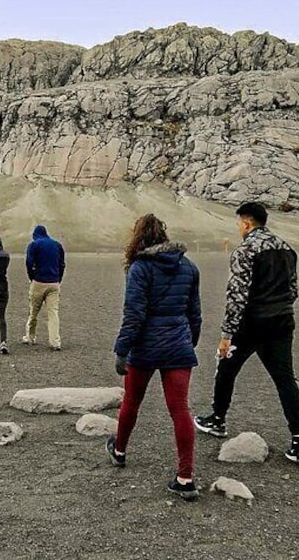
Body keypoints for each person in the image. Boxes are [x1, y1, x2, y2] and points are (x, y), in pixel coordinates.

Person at [194, 202, 299, 467]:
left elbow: (236, 296)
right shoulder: (287, 248)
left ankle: (217, 418)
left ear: (246, 223)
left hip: (252, 322)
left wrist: (227, 334)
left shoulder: (245, 250)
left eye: (239, 224)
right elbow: (293, 289)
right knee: (285, 379)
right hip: (282, 321)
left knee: (226, 367)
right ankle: (298, 441)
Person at [106, 214, 202, 501]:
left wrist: (122, 349)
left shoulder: (140, 268)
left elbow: (134, 314)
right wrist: (189, 342)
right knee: (180, 409)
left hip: (145, 348)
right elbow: (194, 313)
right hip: (178, 347)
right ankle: (185, 477)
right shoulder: (188, 267)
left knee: (132, 402)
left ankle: (120, 450)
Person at [22, 224, 65, 350]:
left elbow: (29, 263)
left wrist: (32, 277)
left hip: (39, 281)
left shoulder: (34, 245)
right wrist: (59, 278)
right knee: (53, 313)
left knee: (33, 312)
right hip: (54, 282)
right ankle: (55, 342)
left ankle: (30, 337)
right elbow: (62, 264)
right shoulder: (57, 245)